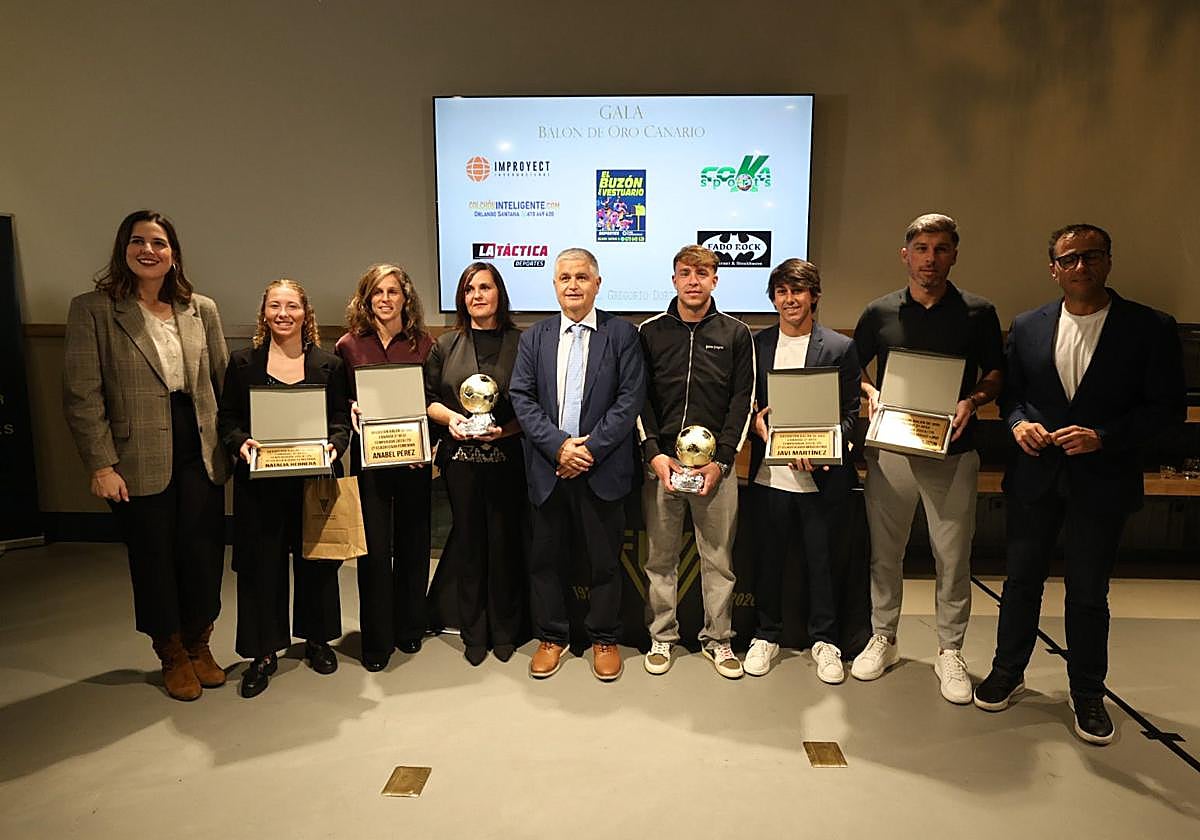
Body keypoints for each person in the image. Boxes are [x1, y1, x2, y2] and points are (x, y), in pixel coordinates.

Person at [974, 224, 1185, 744]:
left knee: (1089, 592)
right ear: (1054, 268)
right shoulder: (1027, 326)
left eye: (1091, 256)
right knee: (1020, 583)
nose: (1080, 266)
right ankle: (1007, 671)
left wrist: (1103, 437)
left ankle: (1087, 691)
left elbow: (1168, 409)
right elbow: (1013, 396)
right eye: (1068, 259)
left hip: (1103, 478)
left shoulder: (1150, 327)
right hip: (1036, 476)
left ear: (1108, 261)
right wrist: (1018, 424)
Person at [64, 210, 229, 702]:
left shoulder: (201, 309)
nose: (148, 250)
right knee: (154, 557)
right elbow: (82, 395)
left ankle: (200, 643)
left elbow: (223, 381)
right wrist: (101, 464)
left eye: (159, 242)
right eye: (138, 241)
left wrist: (239, 440)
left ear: (173, 253)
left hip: (200, 445)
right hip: (135, 455)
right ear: (124, 249)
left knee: (203, 552)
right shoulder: (93, 310)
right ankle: (171, 653)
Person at [851, 213, 1004, 704]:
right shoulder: (879, 312)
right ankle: (884, 636)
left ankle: (950, 650)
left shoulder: (978, 312)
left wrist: (972, 401)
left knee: (952, 557)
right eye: (921, 249)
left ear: (954, 255)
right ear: (905, 255)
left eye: (940, 249)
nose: (930, 259)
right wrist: (871, 392)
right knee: (885, 552)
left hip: (952, 452)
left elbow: (996, 372)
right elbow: (853, 367)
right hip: (891, 450)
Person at [509, 248, 646, 681]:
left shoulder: (622, 334)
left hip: (601, 469)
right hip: (549, 469)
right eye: (565, 277)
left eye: (581, 277)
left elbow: (629, 400)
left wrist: (588, 451)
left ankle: (604, 637)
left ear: (597, 284)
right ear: (554, 285)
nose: (573, 285)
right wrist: (559, 447)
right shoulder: (535, 337)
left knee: (605, 561)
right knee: (546, 560)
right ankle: (552, 636)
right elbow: (522, 397)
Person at [219, 279, 351, 698]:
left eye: (291, 306)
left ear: (305, 312)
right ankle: (263, 652)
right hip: (261, 486)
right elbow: (227, 419)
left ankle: (317, 639)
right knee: (261, 567)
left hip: (314, 480)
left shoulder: (329, 365)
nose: (283, 314)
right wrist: (240, 443)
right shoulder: (243, 363)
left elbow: (340, 420)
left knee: (318, 562)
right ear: (264, 312)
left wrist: (336, 444)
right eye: (275, 306)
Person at [637, 244, 754, 679]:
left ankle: (719, 640)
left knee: (719, 560)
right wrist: (654, 453)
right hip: (663, 466)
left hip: (714, 471)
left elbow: (742, 400)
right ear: (674, 279)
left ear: (714, 281)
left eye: (702, 273)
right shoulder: (650, 332)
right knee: (660, 559)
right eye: (685, 273)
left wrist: (721, 461)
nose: (693, 281)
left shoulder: (736, 333)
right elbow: (639, 398)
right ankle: (662, 637)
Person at [744, 259, 861, 681]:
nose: (790, 300)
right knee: (769, 561)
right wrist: (756, 425)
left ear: (814, 296)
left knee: (822, 563)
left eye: (798, 291)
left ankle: (825, 641)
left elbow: (851, 414)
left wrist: (824, 448)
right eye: (782, 292)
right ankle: (766, 635)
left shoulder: (840, 347)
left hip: (821, 477)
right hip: (769, 476)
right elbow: (745, 402)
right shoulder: (756, 344)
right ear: (773, 298)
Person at [425, 262, 527, 666]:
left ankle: (505, 630)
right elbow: (428, 399)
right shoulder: (445, 345)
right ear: (461, 298)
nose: (477, 295)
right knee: (469, 544)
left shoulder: (524, 343)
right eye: (469, 289)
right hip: (461, 462)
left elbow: (535, 404)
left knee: (504, 542)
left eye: (485, 287)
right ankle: (473, 631)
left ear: (499, 293)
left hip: (508, 459)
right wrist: (453, 420)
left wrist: (503, 431)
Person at [335, 265, 434, 671]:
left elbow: (433, 399)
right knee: (374, 551)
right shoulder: (348, 345)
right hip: (371, 462)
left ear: (406, 298)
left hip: (413, 460)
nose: (385, 299)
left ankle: (409, 627)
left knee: (414, 544)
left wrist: (431, 447)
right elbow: (337, 401)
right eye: (377, 292)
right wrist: (349, 407)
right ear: (366, 298)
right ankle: (376, 639)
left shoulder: (424, 344)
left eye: (393, 291)